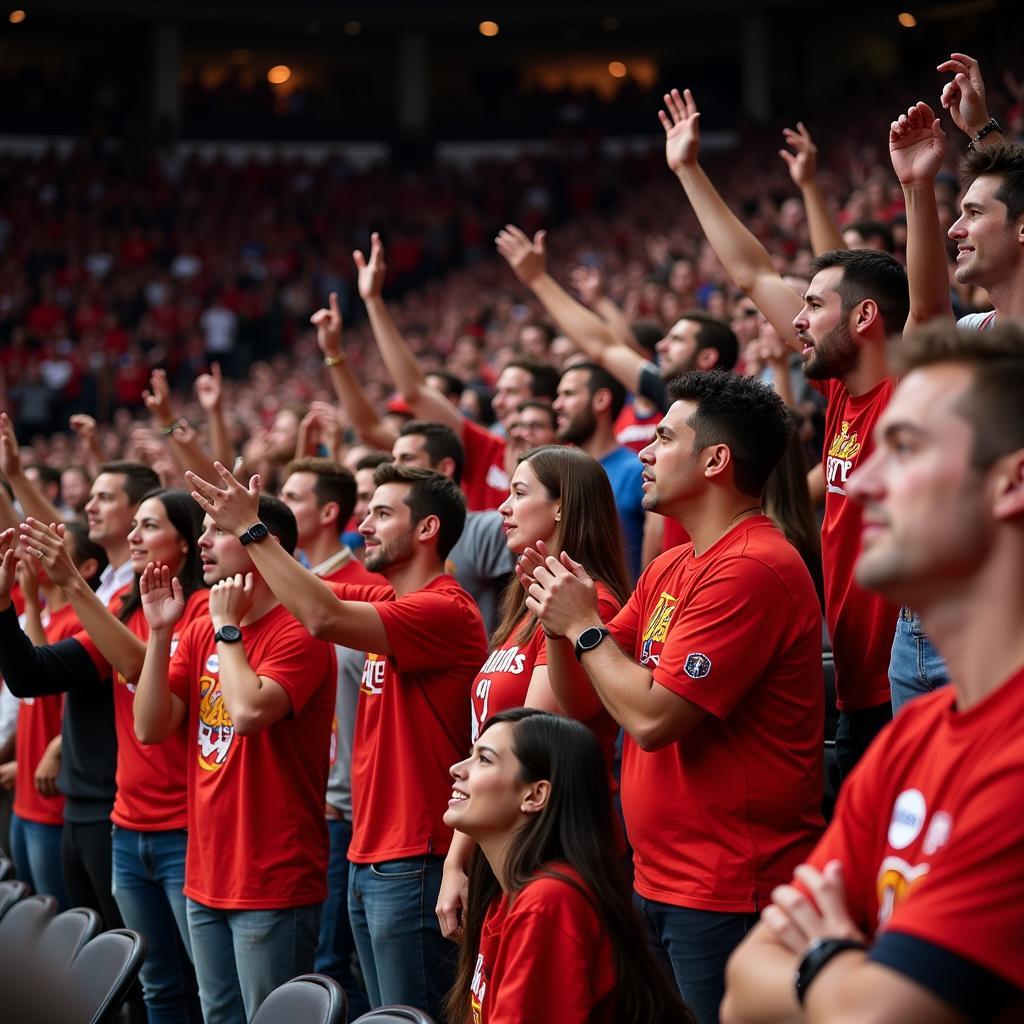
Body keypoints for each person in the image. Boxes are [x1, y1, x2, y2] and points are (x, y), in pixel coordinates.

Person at [721, 322, 1024, 1024]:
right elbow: (742, 989)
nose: (863, 484)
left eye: (906, 447)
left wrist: (826, 953)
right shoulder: (912, 734)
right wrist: (848, 979)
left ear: (1011, 481)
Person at [523, 371, 824, 1024]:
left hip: (726, 889)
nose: (644, 453)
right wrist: (557, 621)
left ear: (716, 460)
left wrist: (582, 624)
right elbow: (581, 701)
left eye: (662, 438)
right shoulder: (672, 563)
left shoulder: (753, 566)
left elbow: (654, 719)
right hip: (658, 874)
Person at [659, 86, 922, 778]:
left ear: (865, 319)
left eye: (813, 306)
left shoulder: (913, 390)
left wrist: (917, 192)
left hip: (911, 686)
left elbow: (921, 307)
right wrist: (688, 170)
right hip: (857, 687)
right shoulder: (840, 389)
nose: (796, 320)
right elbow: (749, 272)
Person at [182, 461, 488, 1021]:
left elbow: (318, 615)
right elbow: (298, 589)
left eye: (381, 513)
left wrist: (251, 531)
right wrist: (242, 531)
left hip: (414, 856)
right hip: (369, 855)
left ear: (427, 529)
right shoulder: (389, 605)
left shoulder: (446, 609)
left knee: (407, 1017)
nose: (363, 526)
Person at [133, 495, 336, 1024]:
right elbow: (150, 726)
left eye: (218, 530)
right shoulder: (200, 626)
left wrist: (228, 630)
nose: (201, 542)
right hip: (207, 872)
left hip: (272, 878)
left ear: (262, 545)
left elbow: (246, 712)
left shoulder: (298, 633)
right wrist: (159, 633)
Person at [10, 489, 209, 1024]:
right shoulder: (127, 608)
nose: (133, 537)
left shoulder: (203, 612)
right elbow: (34, 674)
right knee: (156, 988)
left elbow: (144, 669)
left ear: (185, 545)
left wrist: (72, 583)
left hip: (185, 827)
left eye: (149, 526)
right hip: (127, 823)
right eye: (135, 525)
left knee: (209, 995)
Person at [437, 444, 633, 941]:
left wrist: (458, 858)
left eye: (519, 493)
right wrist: (458, 859)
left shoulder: (591, 603)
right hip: (507, 845)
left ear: (562, 505)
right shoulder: (526, 604)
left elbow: (525, 740)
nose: (503, 507)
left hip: (553, 850)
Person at [443, 707, 694, 1024]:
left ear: (536, 795)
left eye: (484, 759)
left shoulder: (548, 903)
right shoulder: (503, 897)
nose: (456, 769)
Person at [278, 456, 380, 1016]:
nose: (282, 510)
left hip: (350, 808)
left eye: (294, 497)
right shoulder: (291, 586)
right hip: (307, 802)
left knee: (331, 967)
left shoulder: (367, 590)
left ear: (328, 511)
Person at [495, 224, 738, 415]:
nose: (661, 346)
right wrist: (538, 279)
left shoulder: (735, 413)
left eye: (676, 340)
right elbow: (603, 345)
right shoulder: (667, 393)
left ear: (707, 357)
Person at [3, 522, 105, 910]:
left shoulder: (82, 623)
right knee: (30, 915)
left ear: (86, 567)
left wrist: (56, 747)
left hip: (52, 800)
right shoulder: (44, 617)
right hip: (25, 795)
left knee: (58, 921)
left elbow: (47, 687)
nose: (32, 554)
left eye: (51, 547)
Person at [393, 420, 514, 635]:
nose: (395, 469)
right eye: (394, 459)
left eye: (407, 459)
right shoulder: (394, 537)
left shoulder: (486, 529)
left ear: (444, 468)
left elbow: (515, 612)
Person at [553, 362, 646, 578]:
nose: (557, 404)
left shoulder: (638, 472)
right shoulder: (555, 471)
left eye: (568, 394)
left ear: (601, 400)